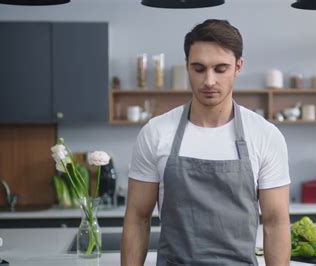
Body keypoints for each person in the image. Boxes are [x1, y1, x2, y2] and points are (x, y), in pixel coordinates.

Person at [121, 19, 291, 266]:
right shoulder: (155, 133)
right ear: (187, 67)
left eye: (220, 69)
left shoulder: (265, 135)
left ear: (238, 67)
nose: (209, 81)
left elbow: (276, 222)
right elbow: (137, 218)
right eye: (199, 69)